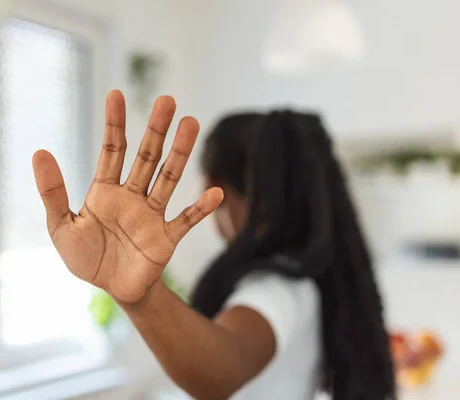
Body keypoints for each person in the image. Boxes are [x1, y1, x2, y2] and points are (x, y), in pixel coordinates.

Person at [32, 90, 396, 400]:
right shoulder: (307, 279)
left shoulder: (277, 289)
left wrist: (142, 297)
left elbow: (224, 365)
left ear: (217, 187)